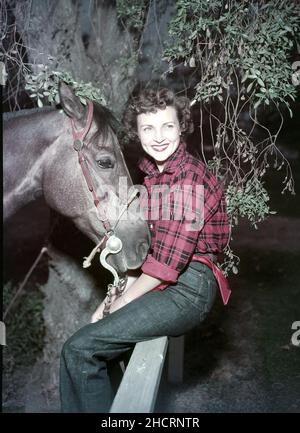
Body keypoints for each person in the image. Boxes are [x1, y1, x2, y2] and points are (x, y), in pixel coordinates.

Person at [59, 87, 230, 413]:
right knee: (96, 344)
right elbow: (155, 249)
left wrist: (123, 301)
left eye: (167, 126)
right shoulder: (155, 175)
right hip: (170, 282)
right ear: (137, 133)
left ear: (182, 126)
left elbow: (167, 263)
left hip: (188, 290)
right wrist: (114, 297)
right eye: (148, 128)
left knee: (80, 350)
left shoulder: (187, 180)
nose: (159, 136)